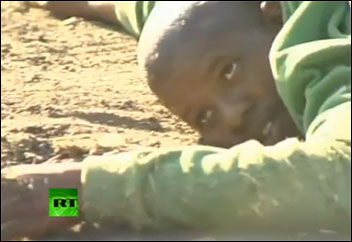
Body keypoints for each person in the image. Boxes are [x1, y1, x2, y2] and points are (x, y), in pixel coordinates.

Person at [1, 1, 351, 240]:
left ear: (275, 14)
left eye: (229, 71)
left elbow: (339, 177)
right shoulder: (237, 26)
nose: (233, 115)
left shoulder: (316, 41)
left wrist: (78, 191)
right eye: (204, 116)